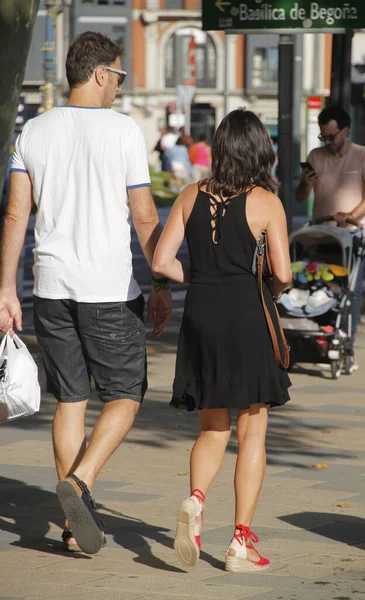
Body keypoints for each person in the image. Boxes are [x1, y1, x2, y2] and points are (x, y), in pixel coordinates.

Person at [0, 31, 172, 555]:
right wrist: (161, 279)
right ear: (100, 74)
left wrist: (7, 288)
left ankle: (75, 526)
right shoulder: (123, 131)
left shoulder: (33, 131)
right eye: (118, 76)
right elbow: (144, 216)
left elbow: (15, 214)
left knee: (71, 399)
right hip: (108, 289)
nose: (119, 86)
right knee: (124, 395)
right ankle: (82, 483)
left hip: (50, 287)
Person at [152, 108, 292, 572]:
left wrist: (196, 275)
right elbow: (285, 274)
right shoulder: (266, 202)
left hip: (201, 317)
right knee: (253, 431)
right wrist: (267, 290)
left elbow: (160, 262)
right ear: (258, 150)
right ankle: (239, 543)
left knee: (213, 428)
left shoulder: (191, 195)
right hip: (249, 317)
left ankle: (195, 501)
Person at [295, 105, 365, 350]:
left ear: (346, 131)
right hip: (320, 230)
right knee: (314, 282)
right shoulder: (316, 155)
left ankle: (346, 340)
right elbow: (301, 198)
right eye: (324, 136)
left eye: (332, 136)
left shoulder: (363, 155)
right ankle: (318, 336)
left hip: (351, 231)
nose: (328, 141)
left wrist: (351, 216)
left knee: (350, 288)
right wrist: (304, 183)